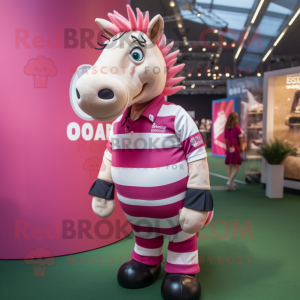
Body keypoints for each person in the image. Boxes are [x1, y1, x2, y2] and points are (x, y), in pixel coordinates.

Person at [224, 112, 243, 190]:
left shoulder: (226, 127)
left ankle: (230, 184)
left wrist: (226, 147)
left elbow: (225, 138)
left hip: (229, 147)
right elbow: (240, 138)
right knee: (237, 166)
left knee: (230, 165)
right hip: (235, 148)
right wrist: (241, 147)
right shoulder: (237, 127)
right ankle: (230, 181)